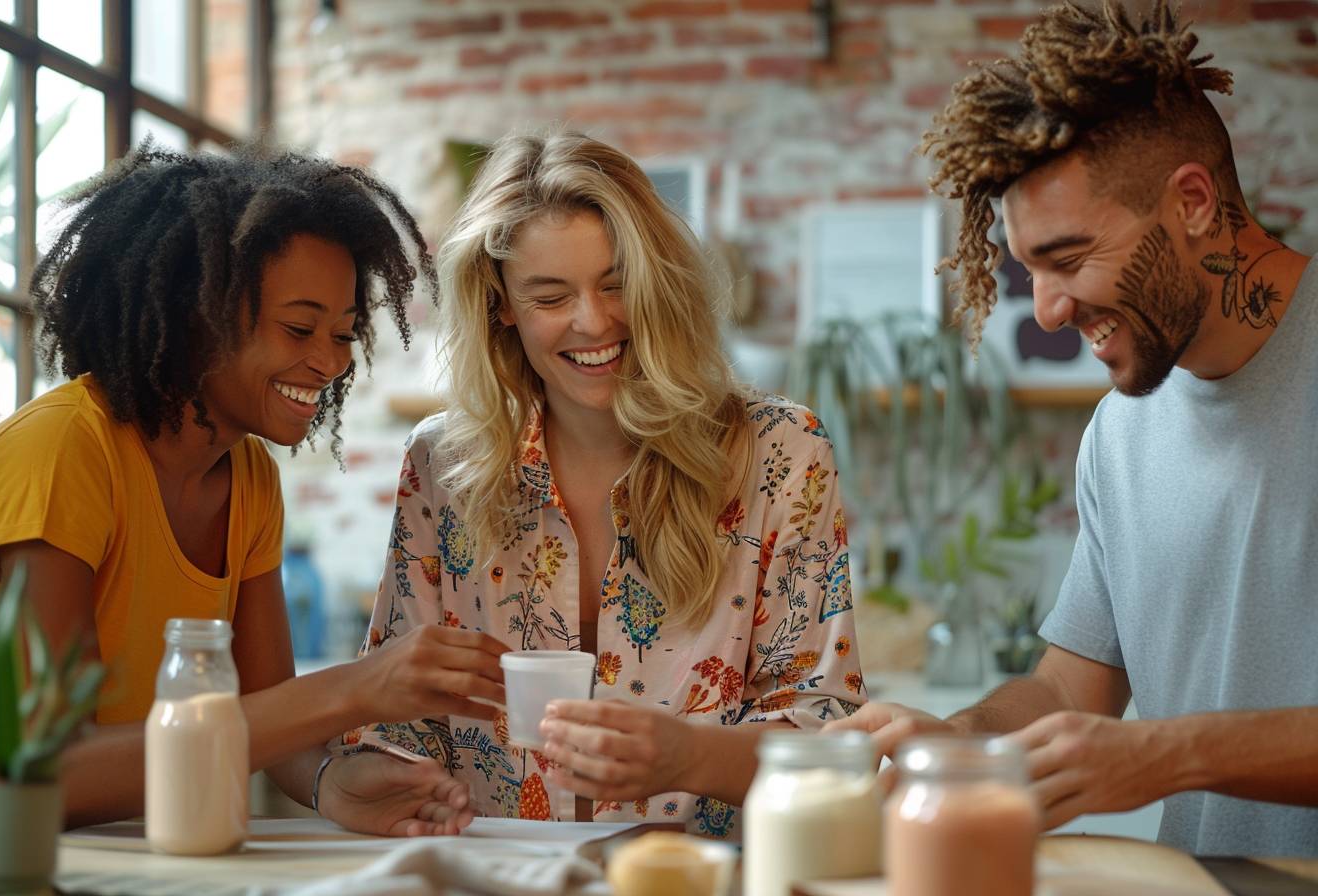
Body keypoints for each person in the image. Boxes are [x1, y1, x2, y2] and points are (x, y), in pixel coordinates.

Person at [829, 0, 1318, 857]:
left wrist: (1172, 753)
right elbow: (1069, 688)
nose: (1048, 312)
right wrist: (961, 738)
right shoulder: (1121, 435)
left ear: (1194, 202)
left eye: (1069, 259)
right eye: (1029, 272)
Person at [316, 131, 867, 839]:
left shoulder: (781, 453)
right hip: (492, 881)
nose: (595, 321)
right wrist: (363, 774)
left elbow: (832, 738)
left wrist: (690, 756)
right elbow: (401, 727)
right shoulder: (441, 466)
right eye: (550, 295)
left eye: (617, 283)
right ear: (501, 305)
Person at [0, 143, 481, 834]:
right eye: (300, 328)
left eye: (342, 333)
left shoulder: (248, 478)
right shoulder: (62, 452)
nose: (331, 361)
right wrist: (355, 689)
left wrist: (334, 781)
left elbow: (270, 716)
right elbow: (45, 773)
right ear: (197, 315)